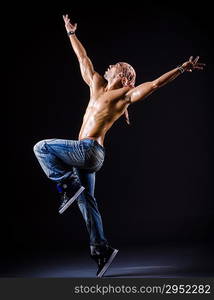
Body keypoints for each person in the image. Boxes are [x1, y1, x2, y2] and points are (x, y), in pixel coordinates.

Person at [33, 14, 205, 277]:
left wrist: (181, 68)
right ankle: (101, 250)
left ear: (125, 76)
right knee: (87, 202)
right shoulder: (96, 85)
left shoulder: (124, 95)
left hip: (90, 151)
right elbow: (83, 58)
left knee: (42, 147)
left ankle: (67, 185)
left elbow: (156, 84)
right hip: (86, 155)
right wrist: (71, 33)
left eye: (116, 65)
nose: (110, 65)